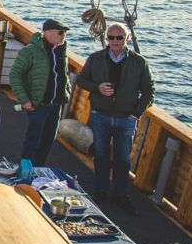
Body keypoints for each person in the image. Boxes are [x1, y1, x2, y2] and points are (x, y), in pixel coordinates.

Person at [76, 22, 155, 215]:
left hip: (125, 118)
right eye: (111, 37)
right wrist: (97, 88)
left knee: (122, 159)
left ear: (127, 39)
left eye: (119, 37)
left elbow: (149, 91)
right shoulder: (96, 58)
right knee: (101, 154)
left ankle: (121, 195)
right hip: (100, 115)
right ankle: (101, 191)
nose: (115, 41)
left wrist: (135, 113)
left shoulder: (139, 63)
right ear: (107, 39)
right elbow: (81, 80)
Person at [10, 18, 72, 167]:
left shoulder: (61, 51)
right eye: (61, 32)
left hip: (55, 106)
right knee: (33, 140)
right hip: (39, 105)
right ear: (48, 33)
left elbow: (63, 74)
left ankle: (38, 170)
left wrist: (66, 90)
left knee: (48, 141)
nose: (64, 36)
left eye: (65, 33)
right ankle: (25, 171)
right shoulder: (30, 51)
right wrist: (24, 100)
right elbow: (14, 74)